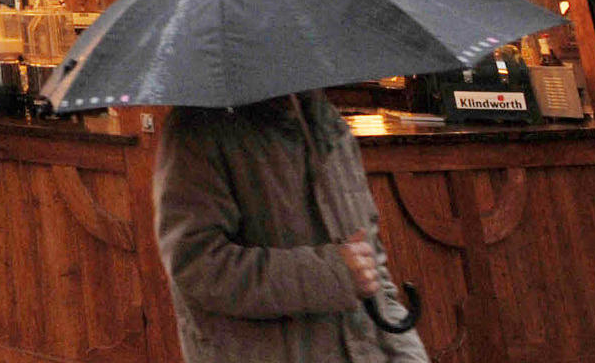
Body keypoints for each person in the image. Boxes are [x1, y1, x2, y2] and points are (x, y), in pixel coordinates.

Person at [152, 90, 426, 363]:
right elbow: (198, 268)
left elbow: (371, 267)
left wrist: (408, 354)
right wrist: (333, 273)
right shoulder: (197, 129)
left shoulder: (324, 119)